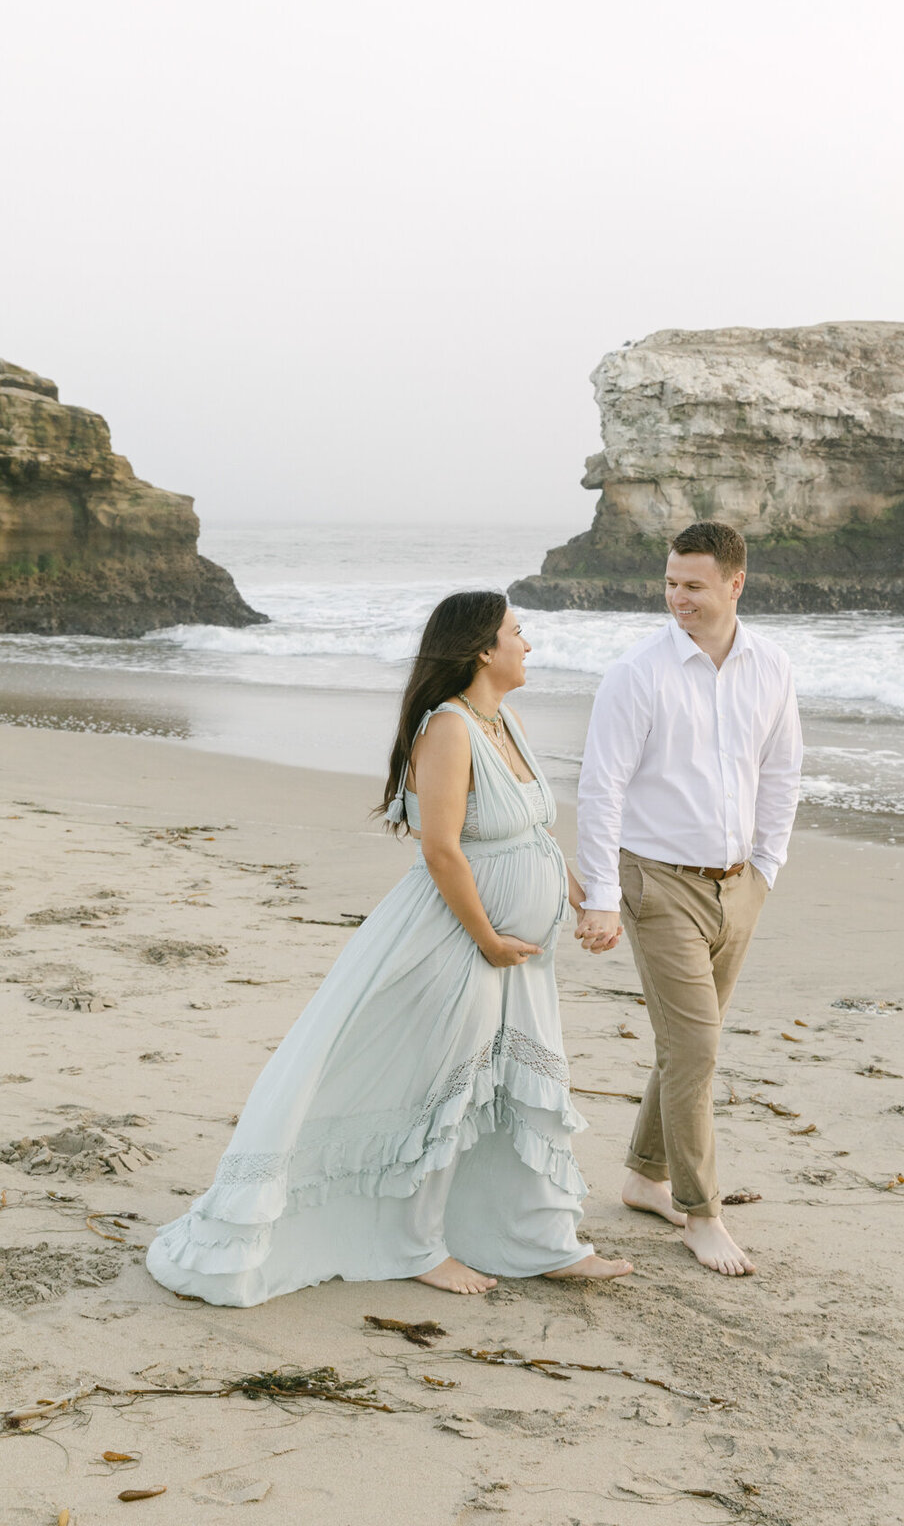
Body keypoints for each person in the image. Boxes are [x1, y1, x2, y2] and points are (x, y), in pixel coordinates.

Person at [146, 590, 631, 1305]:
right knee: (440, 1090)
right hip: (458, 940)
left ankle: (539, 1241)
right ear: (482, 650)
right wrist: (487, 937)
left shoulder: (509, 723)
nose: (528, 645)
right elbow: (441, 851)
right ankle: (414, 1247)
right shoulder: (450, 730)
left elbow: (533, 832)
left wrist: (585, 897)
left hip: (517, 954)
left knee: (521, 1089)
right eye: (517, 634)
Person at [575, 522, 803, 1277]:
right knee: (698, 1048)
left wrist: (766, 867)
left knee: (684, 1047)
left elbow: (781, 771)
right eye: (671, 583)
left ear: (735, 585)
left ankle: (644, 1176)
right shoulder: (637, 673)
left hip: (738, 885)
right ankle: (700, 1212)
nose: (678, 598)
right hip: (656, 881)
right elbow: (600, 787)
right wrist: (602, 896)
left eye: (694, 585)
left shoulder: (771, 666)